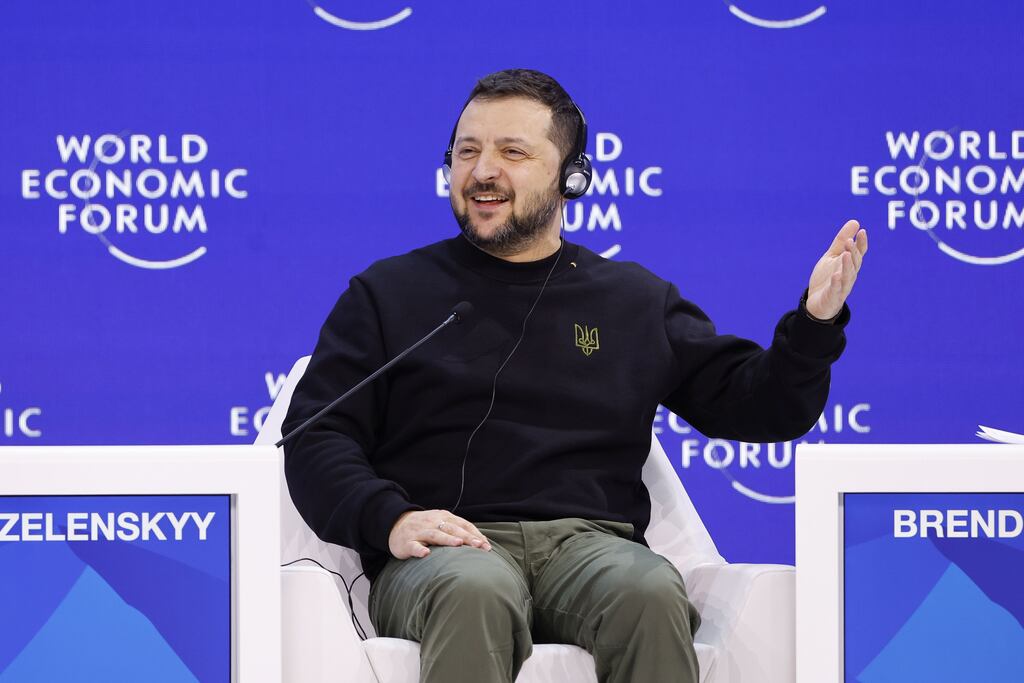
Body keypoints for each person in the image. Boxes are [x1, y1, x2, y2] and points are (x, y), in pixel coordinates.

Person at [282, 68, 867, 683]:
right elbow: (317, 435)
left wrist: (814, 324)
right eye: (467, 151)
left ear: (572, 177)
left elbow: (762, 407)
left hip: (592, 546)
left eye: (512, 152)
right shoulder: (389, 294)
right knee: (473, 588)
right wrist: (391, 518)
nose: (482, 171)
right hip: (444, 552)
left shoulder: (633, 301)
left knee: (646, 590)